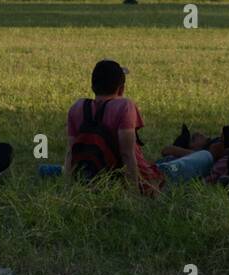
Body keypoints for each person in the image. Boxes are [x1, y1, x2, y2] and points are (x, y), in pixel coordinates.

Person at [62, 60, 214, 196]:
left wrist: (68, 190)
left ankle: (50, 170)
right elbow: (127, 154)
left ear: (93, 86)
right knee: (205, 156)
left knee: (165, 161)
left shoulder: (77, 107)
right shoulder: (124, 106)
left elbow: (71, 152)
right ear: (121, 89)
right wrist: (135, 195)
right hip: (142, 180)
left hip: (94, 176)